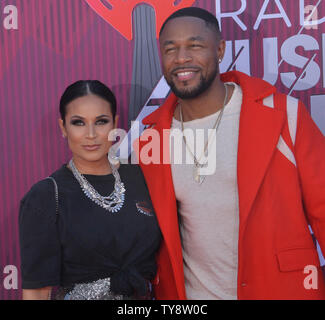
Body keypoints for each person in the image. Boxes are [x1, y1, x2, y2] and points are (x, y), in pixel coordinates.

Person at [135, 7, 325, 299]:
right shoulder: (151, 138)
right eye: (170, 49)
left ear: (220, 50)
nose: (181, 58)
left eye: (195, 46)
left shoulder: (283, 114)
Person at [19, 80, 161, 300]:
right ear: (63, 128)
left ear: (115, 123)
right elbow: (37, 292)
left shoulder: (141, 178)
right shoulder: (46, 196)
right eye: (78, 123)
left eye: (101, 121)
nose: (91, 134)